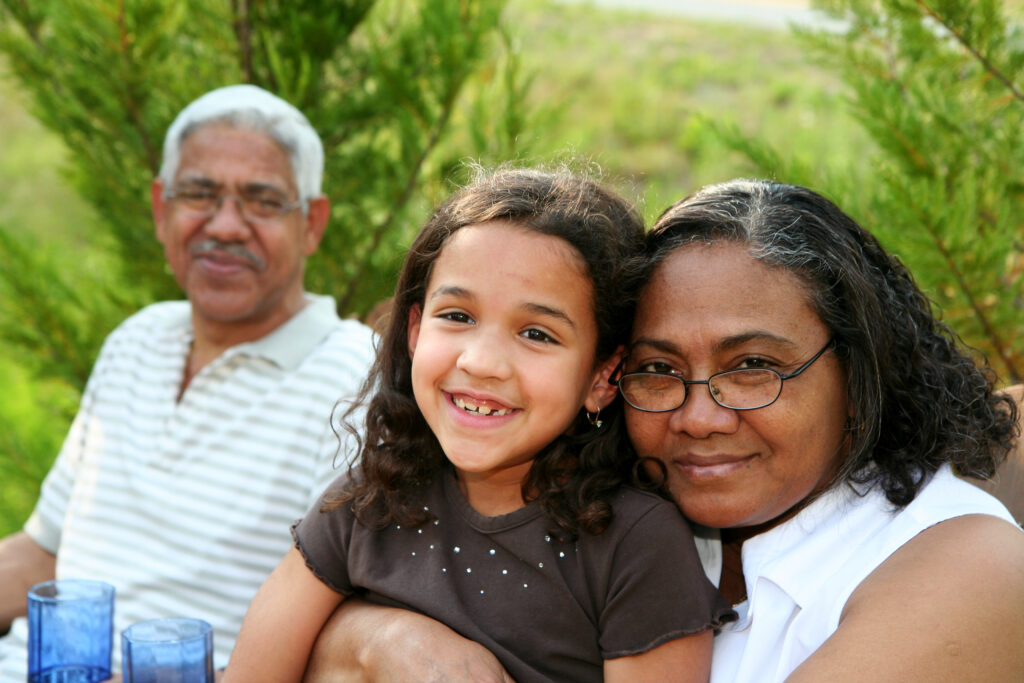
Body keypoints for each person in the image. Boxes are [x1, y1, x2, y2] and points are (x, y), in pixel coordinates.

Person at [299, 178, 1024, 682]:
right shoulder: (610, 519)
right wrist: (382, 639)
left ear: (861, 376)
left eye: (752, 365)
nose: (699, 417)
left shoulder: (967, 563)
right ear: (605, 381)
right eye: (658, 369)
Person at [224, 168, 735, 683]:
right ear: (415, 332)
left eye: (536, 333)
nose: (483, 361)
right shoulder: (371, 497)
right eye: (458, 316)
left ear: (603, 376)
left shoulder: (636, 546)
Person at [0, 84, 375, 677]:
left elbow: (341, 631)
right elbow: (45, 552)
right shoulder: (137, 339)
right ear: (160, 209)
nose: (225, 226)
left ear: (312, 223)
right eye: (198, 193)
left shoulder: (353, 378)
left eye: (262, 200)